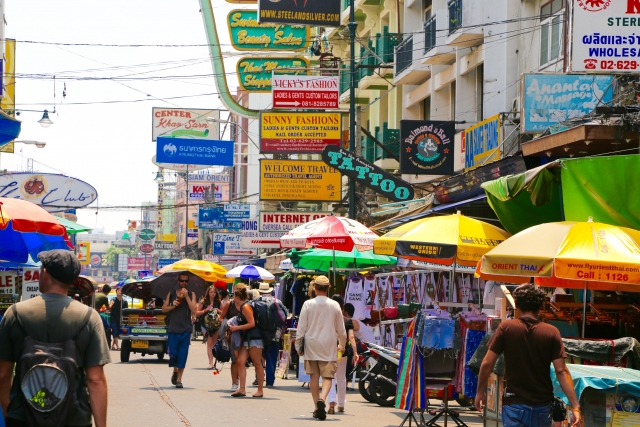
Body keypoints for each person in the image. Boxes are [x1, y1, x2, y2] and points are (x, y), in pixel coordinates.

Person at [0, 250, 111, 427]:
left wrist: (10, 412)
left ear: (45, 273)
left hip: (23, 418)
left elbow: (3, 373)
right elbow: (95, 379)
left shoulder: (14, 314)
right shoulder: (89, 318)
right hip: (74, 419)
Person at [475, 284, 581, 427]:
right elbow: (561, 371)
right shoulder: (551, 332)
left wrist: (480, 391)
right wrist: (575, 406)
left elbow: (487, 363)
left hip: (514, 404)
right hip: (542, 406)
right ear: (541, 306)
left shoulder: (506, 328)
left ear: (516, 304)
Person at [295, 275, 347, 421]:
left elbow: (301, 327)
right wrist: (341, 344)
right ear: (328, 288)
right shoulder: (335, 305)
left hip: (311, 344)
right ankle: (322, 399)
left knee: (313, 376)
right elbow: (341, 330)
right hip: (328, 344)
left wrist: (298, 344)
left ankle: (317, 407)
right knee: (328, 377)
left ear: (315, 287)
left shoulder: (308, 304)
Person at [226, 284, 265, 398]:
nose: (233, 298)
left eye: (234, 295)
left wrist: (236, 328)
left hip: (255, 338)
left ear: (238, 296)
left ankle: (260, 390)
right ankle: (242, 389)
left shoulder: (245, 307)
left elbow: (252, 323)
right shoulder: (243, 306)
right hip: (248, 338)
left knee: (257, 364)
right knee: (240, 361)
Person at [162, 273, 198, 389]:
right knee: (173, 354)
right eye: (182, 281)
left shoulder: (192, 294)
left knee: (183, 354)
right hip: (173, 328)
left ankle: (179, 380)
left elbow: (194, 310)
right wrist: (173, 305)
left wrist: (186, 297)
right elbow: (164, 309)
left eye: (186, 281)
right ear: (178, 281)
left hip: (186, 329)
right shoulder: (171, 293)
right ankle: (175, 370)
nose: (184, 283)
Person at [328, 296, 358, 415]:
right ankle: (341, 404)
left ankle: (331, 402)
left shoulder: (328, 319)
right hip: (342, 351)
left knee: (329, 377)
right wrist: (355, 352)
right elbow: (351, 337)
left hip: (329, 351)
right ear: (342, 306)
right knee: (341, 378)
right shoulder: (347, 321)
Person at [254, 282, 288, 388]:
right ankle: (270, 381)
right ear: (270, 291)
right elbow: (284, 317)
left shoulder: (255, 302)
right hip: (274, 335)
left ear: (259, 291)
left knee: (258, 357)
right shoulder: (277, 302)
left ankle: (258, 378)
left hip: (259, 334)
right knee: (271, 357)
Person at [220, 285, 244, 392]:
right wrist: (228, 325)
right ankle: (235, 382)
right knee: (235, 360)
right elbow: (221, 319)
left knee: (241, 360)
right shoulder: (230, 304)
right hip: (232, 336)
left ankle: (240, 381)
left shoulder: (247, 305)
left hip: (244, 335)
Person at [195, 285, 222, 369]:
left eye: (214, 292)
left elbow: (224, 312)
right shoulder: (203, 301)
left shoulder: (218, 301)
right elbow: (196, 313)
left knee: (214, 343)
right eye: (211, 292)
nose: (213, 294)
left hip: (216, 325)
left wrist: (218, 310)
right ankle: (210, 363)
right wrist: (206, 310)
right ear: (208, 293)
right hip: (205, 325)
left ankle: (213, 362)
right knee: (209, 343)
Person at [108, 286, 128, 351]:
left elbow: (126, 311)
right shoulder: (113, 299)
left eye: (121, 291)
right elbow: (110, 306)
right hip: (113, 318)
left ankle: (113, 345)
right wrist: (111, 305)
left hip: (121, 319)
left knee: (117, 333)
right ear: (116, 292)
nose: (119, 292)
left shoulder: (125, 301)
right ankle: (118, 346)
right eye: (118, 290)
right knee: (115, 331)